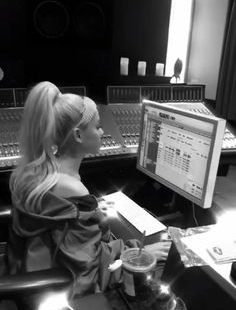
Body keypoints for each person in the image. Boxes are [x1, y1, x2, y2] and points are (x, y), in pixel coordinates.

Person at [9, 81, 170, 297]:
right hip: (52, 293)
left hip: (24, 266)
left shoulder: (38, 170)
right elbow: (87, 273)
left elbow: (62, 229)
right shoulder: (72, 189)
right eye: (97, 126)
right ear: (77, 135)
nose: (103, 131)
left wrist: (92, 213)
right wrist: (137, 254)